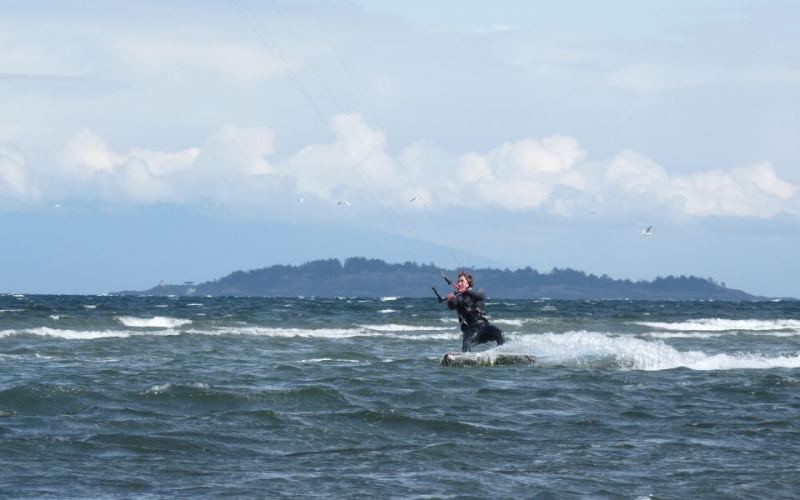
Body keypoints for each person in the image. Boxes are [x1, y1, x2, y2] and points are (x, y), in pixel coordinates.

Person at [446, 271, 504, 352]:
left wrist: (466, 291)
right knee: (466, 343)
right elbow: (451, 306)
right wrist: (450, 300)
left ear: (468, 282)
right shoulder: (458, 298)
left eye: (462, 281)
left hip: (484, 327)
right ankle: (465, 358)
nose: (459, 283)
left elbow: (481, 296)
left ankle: (501, 352)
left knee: (499, 333)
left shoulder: (479, 292)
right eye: (458, 281)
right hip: (470, 330)